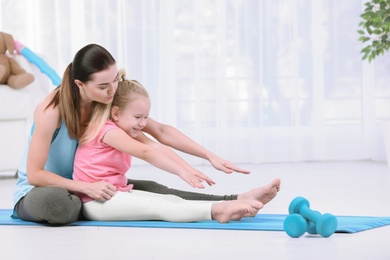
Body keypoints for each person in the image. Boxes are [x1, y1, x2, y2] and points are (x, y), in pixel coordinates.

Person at [12, 43, 280, 225]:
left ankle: (234, 201)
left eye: (115, 80)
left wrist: (209, 156)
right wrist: (85, 187)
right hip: (40, 189)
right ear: (80, 84)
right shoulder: (51, 111)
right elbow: (35, 174)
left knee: (151, 188)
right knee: (63, 206)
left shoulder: (105, 102)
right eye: (104, 85)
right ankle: (91, 205)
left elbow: (159, 131)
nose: (113, 90)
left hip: (90, 184)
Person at [73, 78, 264, 222]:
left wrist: (189, 168)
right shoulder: (109, 132)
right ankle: (218, 211)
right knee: (160, 207)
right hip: (96, 202)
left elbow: (156, 145)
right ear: (115, 113)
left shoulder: (121, 127)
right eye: (138, 117)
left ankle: (228, 205)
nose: (143, 123)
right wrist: (182, 171)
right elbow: (146, 153)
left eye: (146, 117)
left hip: (115, 193)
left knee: (171, 199)